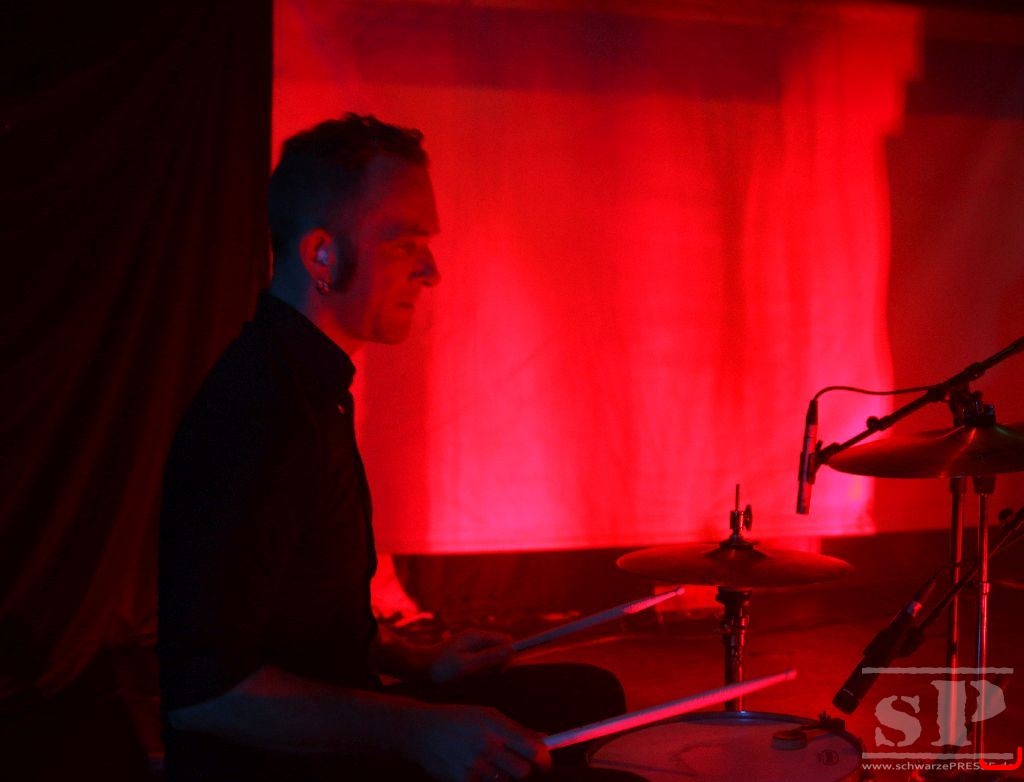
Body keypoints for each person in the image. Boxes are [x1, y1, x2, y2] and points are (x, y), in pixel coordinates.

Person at [158, 114, 635, 781]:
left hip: (341, 722)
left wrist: (416, 662)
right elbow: (205, 695)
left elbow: (302, 620)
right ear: (322, 256)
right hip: (277, 765)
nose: (431, 270)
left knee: (588, 697)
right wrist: (415, 728)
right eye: (406, 243)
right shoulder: (258, 413)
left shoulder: (308, 388)